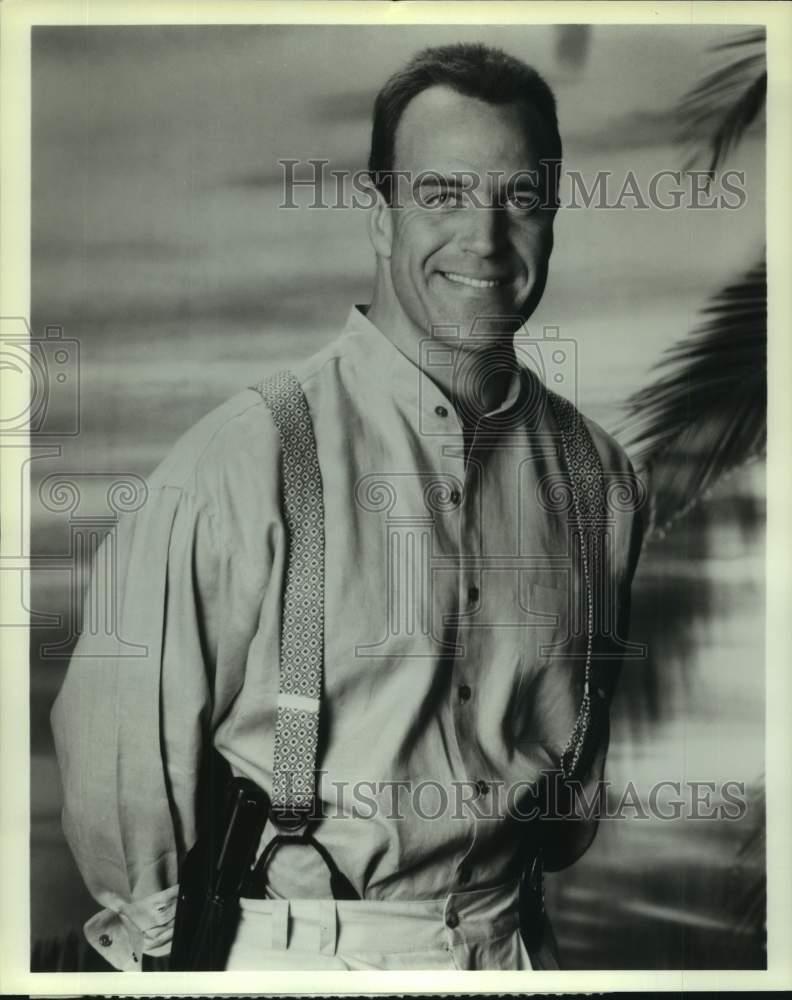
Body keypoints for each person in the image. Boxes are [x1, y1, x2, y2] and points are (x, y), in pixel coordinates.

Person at [51, 42, 644, 973]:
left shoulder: (596, 478)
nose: (485, 240)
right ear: (378, 215)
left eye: (518, 198)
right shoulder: (243, 458)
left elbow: (569, 794)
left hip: (516, 946)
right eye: (443, 195)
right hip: (296, 954)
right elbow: (124, 775)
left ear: (552, 218)